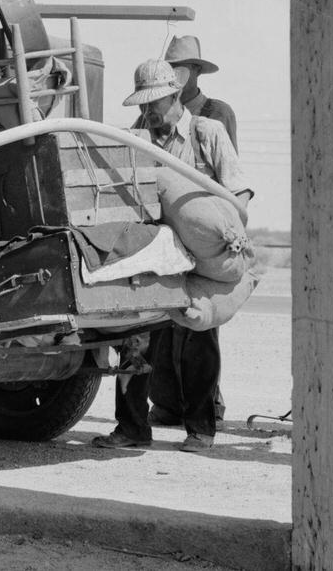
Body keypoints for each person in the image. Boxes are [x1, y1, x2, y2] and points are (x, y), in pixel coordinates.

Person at [91, 60, 252, 452]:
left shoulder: (206, 133)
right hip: (155, 255)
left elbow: (239, 193)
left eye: (155, 104)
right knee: (136, 339)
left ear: (176, 96)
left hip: (198, 259)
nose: (149, 113)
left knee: (198, 339)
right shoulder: (135, 140)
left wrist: (227, 235)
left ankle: (201, 429)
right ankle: (131, 428)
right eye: (143, 106)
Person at [149, 35, 238, 428]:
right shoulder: (150, 117)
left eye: (181, 69)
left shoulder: (213, 118)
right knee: (161, 328)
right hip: (166, 234)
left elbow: (231, 179)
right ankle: (168, 403)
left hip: (200, 229)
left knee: (201, 325)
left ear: (195, 72)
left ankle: (206, 409)